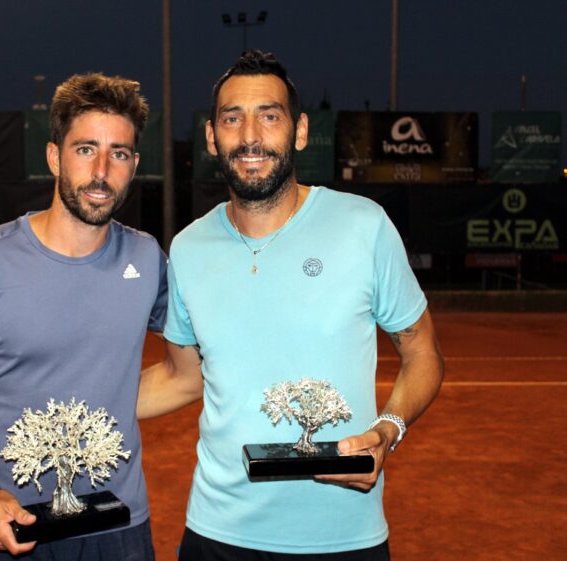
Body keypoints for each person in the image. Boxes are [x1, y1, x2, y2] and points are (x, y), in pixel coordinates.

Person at [137, 50, 444, 560]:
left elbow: (423, 354)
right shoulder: (188, 248)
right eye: (232, 119)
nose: (250, 136)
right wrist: (78, 398)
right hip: (216, 535)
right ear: (212, 137)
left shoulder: (363, 226)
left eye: (269, 116)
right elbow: (181, 376)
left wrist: (388, 431)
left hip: (344, 537)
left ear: (300, 131)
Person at [0, 72, 167, 561]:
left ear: (134, 164)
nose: (103, 170)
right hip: (7, 534)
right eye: (86, 149)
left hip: (118, 532)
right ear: (53, 157)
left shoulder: (148, 259)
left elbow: (200, 361)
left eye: (120, 153)